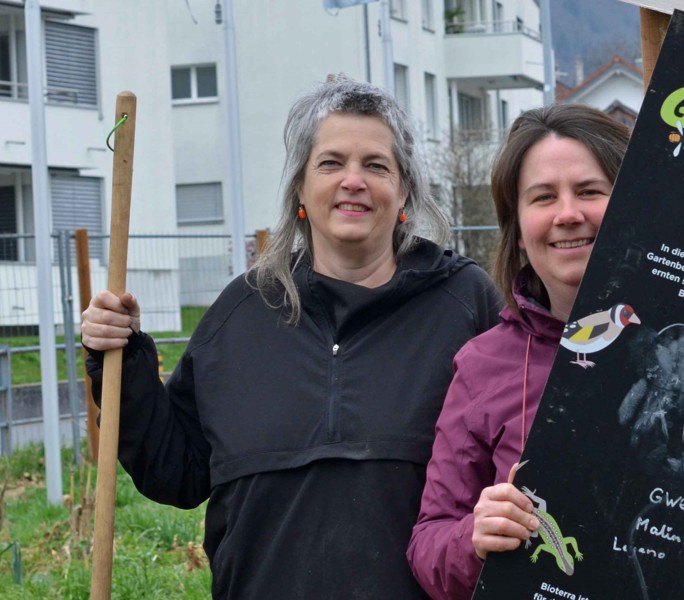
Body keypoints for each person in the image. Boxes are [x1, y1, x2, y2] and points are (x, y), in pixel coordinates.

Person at [80, 75, 502, 599]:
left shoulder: (466, 307)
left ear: (405, 193)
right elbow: (177, 471)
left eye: (376, 165)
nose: (353, 181)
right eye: (330, 163)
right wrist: (122, 359)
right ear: (300, 188)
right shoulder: (243, 312)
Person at [406, 104, 630, 599]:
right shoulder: (483, 366)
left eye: (590, 191)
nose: (568, 214)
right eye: (543, 197)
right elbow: (429, 546)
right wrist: (475, 538)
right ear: (519, 232)